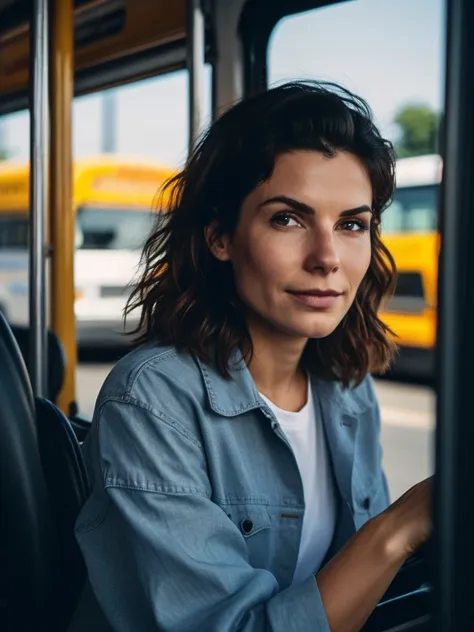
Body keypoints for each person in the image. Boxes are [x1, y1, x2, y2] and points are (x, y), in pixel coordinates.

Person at [70, 81, 431, 632]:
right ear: (220, 237)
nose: (327, 258)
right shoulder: (152, 400)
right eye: (288, 219)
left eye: (351, 224)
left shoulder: (348, 386)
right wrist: (403, 525)